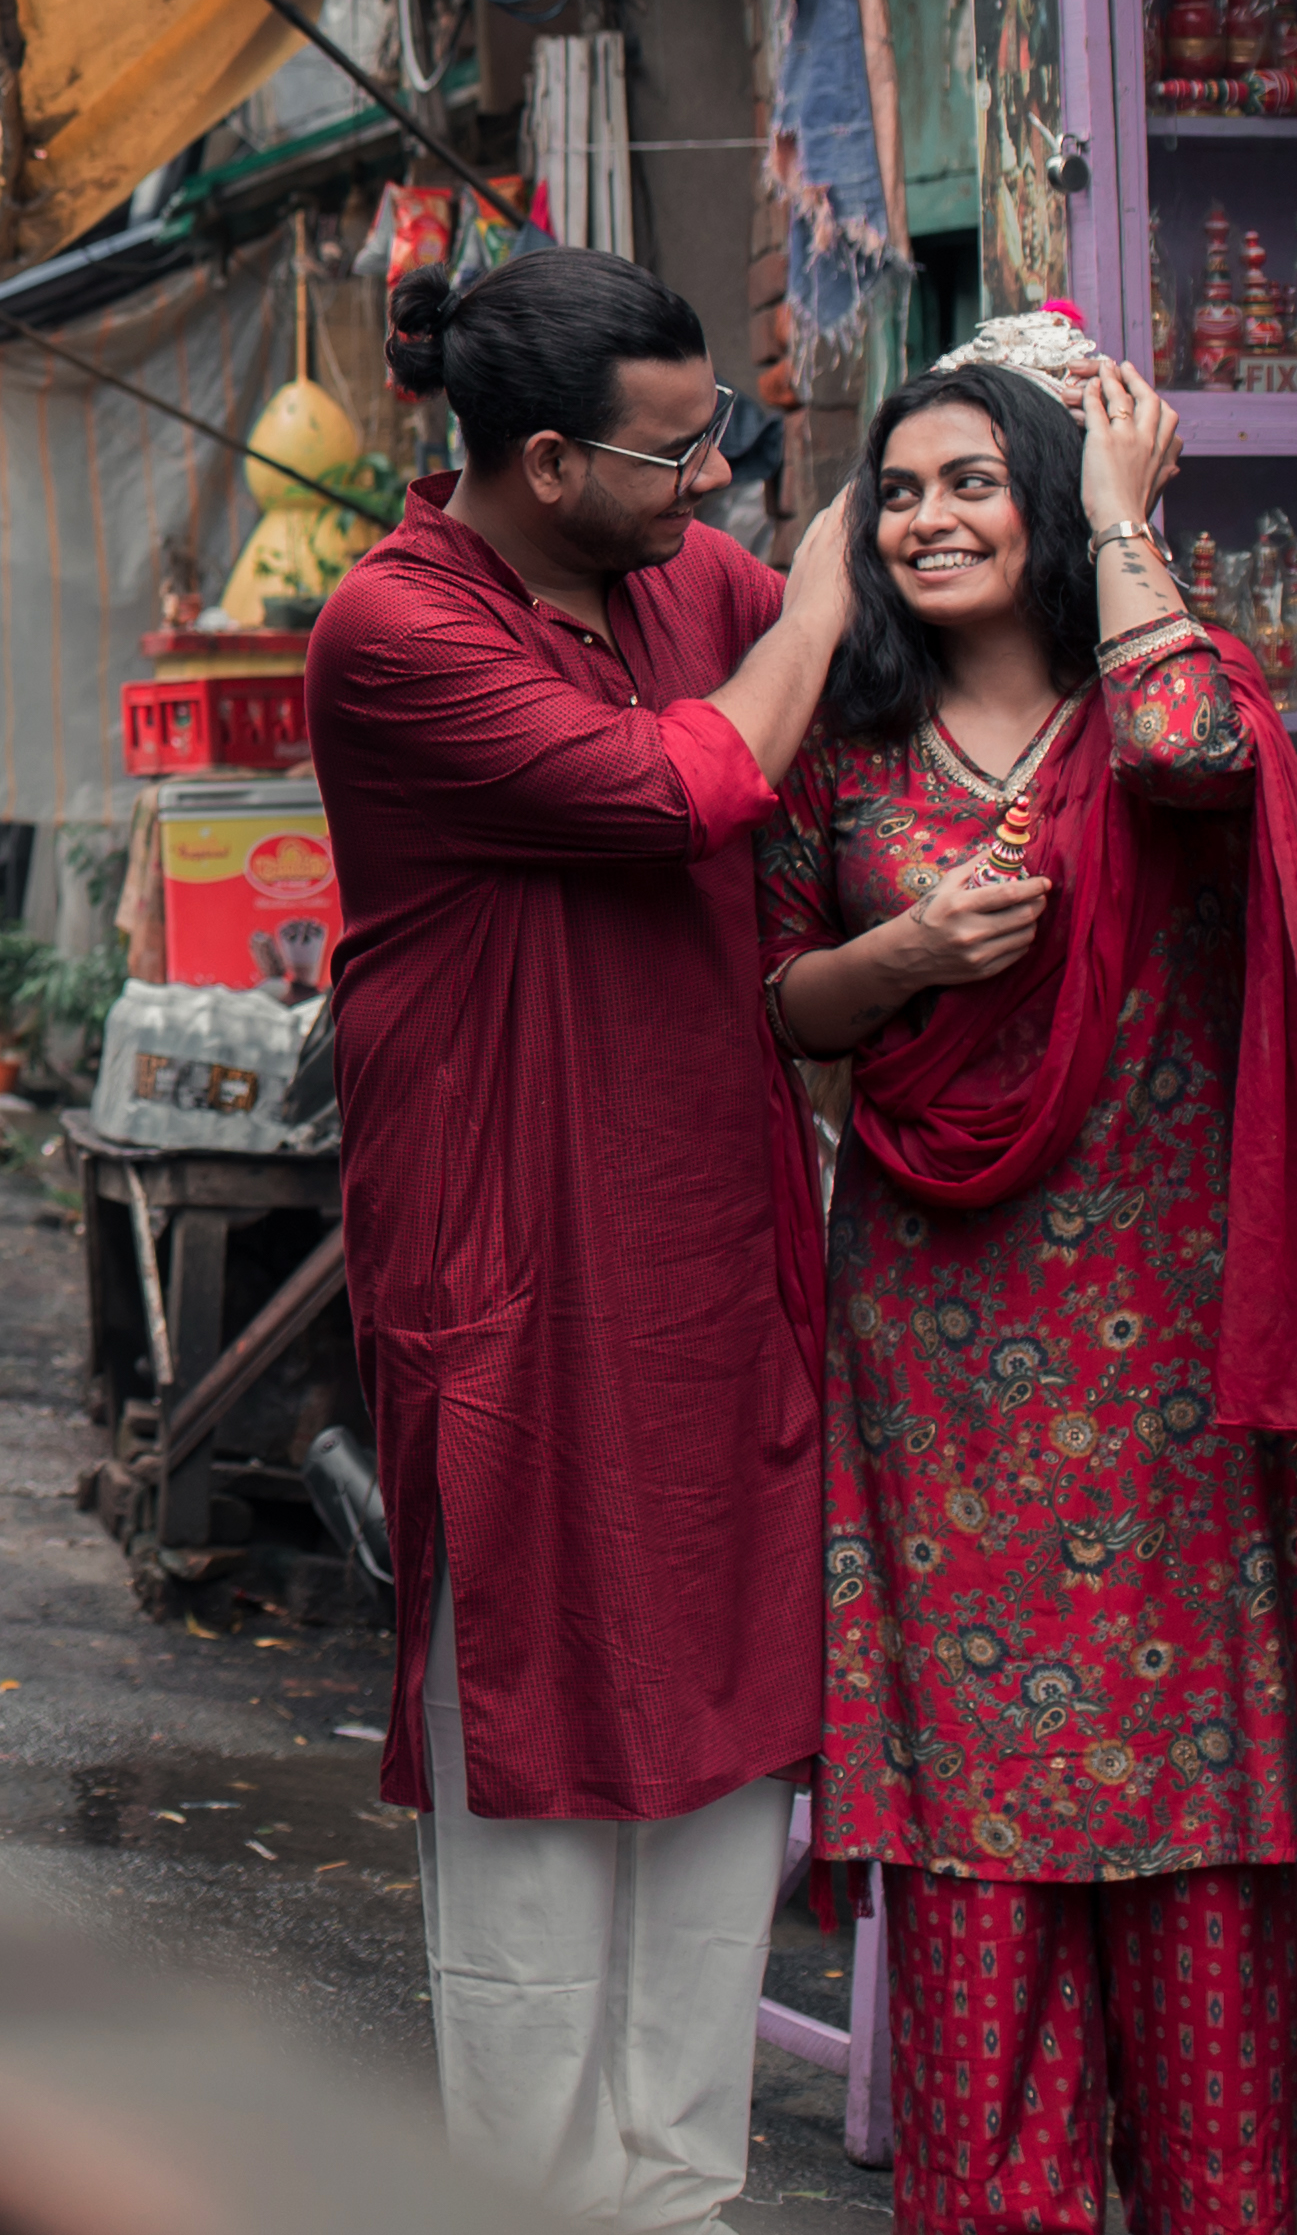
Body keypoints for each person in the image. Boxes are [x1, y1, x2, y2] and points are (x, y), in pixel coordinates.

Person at [760, 342, 1297, 2235]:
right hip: (940, 1350)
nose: (925, 518)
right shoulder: (850, 753)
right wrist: (904, 949)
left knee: (1200, 1859)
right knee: (976, 1857)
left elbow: (1198, 754)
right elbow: (784, 1003)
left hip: (1170, 1358)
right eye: (895, 491)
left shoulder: (1159, 700)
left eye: (971, 480)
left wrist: (1128, 517)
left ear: (1048, 502)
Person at [304, 246, 862, 2230]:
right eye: (677, 447)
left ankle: (681, 2197)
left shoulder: (669, 578)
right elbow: (675, 785)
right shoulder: (396, 624)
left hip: (707, 1242)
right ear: (545, 460)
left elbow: (832, 691)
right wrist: (832, 579)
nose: (713, 479)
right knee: (536, 1753)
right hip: (513, 1264)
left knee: (720, 1746)